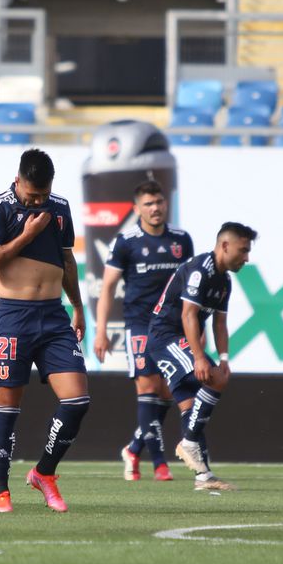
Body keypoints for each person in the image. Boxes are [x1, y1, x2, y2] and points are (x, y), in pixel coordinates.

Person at [0, 148, 90, 513]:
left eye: (44, 194)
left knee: (77, 400)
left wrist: (78, 306)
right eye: (32, 194)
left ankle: (44, 473)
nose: (38, 201)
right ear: (18, 180)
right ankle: (1, 494)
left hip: (53, 315)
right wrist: (27, 235)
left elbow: (67, 259)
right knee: (7, 405)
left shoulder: (60, 208)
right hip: (12, 315)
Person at [93, 180, 193, 482]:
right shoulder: (126, 242)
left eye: (159, 202)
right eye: (148, 204)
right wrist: (101, 330)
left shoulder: (181, 239)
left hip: (173, 326)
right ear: (137, 209)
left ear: (166, 204)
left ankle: (134, 448)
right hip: (139, 324)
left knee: (167, 391)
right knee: (148, 387)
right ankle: (160, 464)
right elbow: (107, 287)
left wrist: (197, 327)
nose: (155, 208)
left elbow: (191, 288)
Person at [147, 222, 257, 490]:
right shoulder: (200, 269)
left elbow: (220, 323)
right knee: (215, 379)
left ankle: (203, 476)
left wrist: (224, 358)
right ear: (225, 246)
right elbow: (188, 315)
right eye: (243, 250)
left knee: (191, 407)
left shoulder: (225, 281)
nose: (246, 258)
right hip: (165, 336)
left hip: (180, 339)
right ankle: (188, 443)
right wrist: (198, 357)